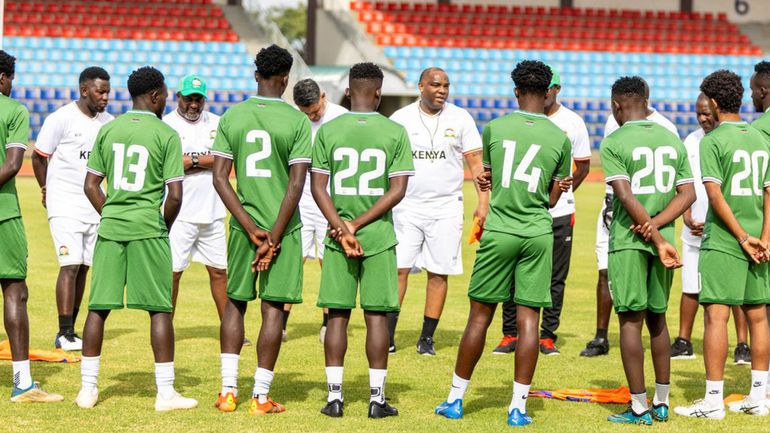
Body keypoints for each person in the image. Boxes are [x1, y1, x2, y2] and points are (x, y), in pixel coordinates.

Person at [434, 60, 572, 426]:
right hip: (537, 232)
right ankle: (518, 408)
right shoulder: (559, 137)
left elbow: (489, 179)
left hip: (500, 230)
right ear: (547, 94)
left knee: (480, 316)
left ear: (515, 92)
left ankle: (455, 399)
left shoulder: (494, 128)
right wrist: (557, 187)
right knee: (529, 320)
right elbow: (553, 200)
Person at [76, 66, 197, 411]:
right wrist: (162, 227)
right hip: (149, 229)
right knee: (159, 310)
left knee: (98, 308)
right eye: (165, 94)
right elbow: (174, 195)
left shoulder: (108, 129)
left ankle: (88, 389)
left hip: (112, 229)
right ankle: (165, 393)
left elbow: (90, 185)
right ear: (156, 96)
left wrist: (113, 214)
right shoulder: (166, 134)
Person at [212, 45, 311, 415]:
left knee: (235, 303)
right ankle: (260, 397)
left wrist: (251, 228)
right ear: (286, 79)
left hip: (242, 229)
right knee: (272, 310)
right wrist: (274, 235)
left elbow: (220, 180)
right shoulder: (297, 121)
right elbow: (297, 184)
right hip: (284, 229)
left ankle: (226, 392)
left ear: (256, 75)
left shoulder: (232, 116)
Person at [311, 62, 413, 418]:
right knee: (376, 318)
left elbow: (317, 188)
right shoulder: (395, 131)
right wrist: (358, 225)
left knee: (337, 316)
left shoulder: (328, 130)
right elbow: (397, 189)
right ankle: (376, 399)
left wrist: (342, 226)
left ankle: (335, 398)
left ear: (349, 91)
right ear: (380, 92)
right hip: (378, 237)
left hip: (337, 236)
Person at [675, 69, 770, 419]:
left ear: (713, 103)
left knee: (716, 316)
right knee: (758, 316)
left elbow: (714, 196)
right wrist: (763, 238)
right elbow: (769, 192)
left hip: (727, 239)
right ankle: (759, 397)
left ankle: (713, 401)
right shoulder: (761, 137)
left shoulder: (711, 141)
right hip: (761, 239)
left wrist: (743, 238)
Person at [601, 76, 694, 425]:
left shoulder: (615, 140)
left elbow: (624, 195)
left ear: (616, 105)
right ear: (647, 100)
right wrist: (660, 230)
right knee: (659, 319)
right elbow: (688, 195)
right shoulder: (673, 138)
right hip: (666, 239)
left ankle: (638, 406)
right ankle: (662, 401)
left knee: (629, 320)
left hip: (630, 238)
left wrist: (650, 233)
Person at [387, 67, 487, 356]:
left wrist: (483, 203)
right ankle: (389, 334)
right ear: (420, 87)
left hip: (446, 207)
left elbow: (476, 164)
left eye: (446, 85)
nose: (442, 90)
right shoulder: (401, 119)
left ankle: (427, 338)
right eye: (435, 85)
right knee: (398, 270)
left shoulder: (461, 118)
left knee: (439, 272)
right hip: (406, 206)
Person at [493, 65, 591, 356]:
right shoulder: (517, 122)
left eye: (549, 89)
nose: (544, 95)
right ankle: (510, 333)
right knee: (511, 275)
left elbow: (583, 165)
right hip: (520, 210)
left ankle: (547, 335)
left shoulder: (572, 122)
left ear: (556, 89)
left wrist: (564, 190)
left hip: (559, 212)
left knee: (555, 278)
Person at [580, 80, 680, 357]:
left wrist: (652, 225)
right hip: (622, 210)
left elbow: (668, 186)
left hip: (642, 219)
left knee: (639, 312)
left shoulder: (666, 128)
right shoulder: (616, 125)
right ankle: (601, 335)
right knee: (605, 271)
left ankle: (639, 397)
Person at [32, 66, 113, 351]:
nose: (104, 97)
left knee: (84, 268)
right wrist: (46, 188)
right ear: (84, 90)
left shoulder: (109, 123)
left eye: (107, 92)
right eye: (99, 91)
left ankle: (72, 330)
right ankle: (63, 332)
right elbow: (39, 157)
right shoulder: (61, 118)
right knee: (70, 265)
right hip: (65, 203)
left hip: (95, 205)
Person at [0, 50, 63, 403]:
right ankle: (22, 383)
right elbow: (11, 165)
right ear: (3, 78)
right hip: (3, 213)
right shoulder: (14, 110)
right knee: (14, 291)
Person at [670, 93, 751, 363]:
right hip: (695, 227)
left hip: (728, 228)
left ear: (717, 109)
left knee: (735, 291)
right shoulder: (691, 141)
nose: (703, 118)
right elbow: (684, 181)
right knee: (690, 286)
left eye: (707, 113)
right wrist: (687, 215)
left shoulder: (732, 139)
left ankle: (743, 345)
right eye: (698, 114)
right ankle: (683, 341)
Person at [282, 78, 347, 344]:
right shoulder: (295, 120)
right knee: (293, 261)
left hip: (331, 200)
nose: (312, 115)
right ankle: (282, 325)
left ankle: (327, 324)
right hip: (301, 199)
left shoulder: (342, 118)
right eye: (306, 112)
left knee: (329, 261)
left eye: (315, 110)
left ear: (323, 96)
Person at [163, 75, 229, 325]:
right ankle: (165, 326)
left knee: (219, 271)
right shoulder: (166, 125)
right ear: (177, 97)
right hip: (178, 213)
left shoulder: (218, 122)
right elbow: (167, 165)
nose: (194, 104)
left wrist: (189, 161)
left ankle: (229, 328)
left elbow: (224, 160)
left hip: (213, 210)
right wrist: (205, 161)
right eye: (189, 98)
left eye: (198, 99)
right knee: (172, 273)